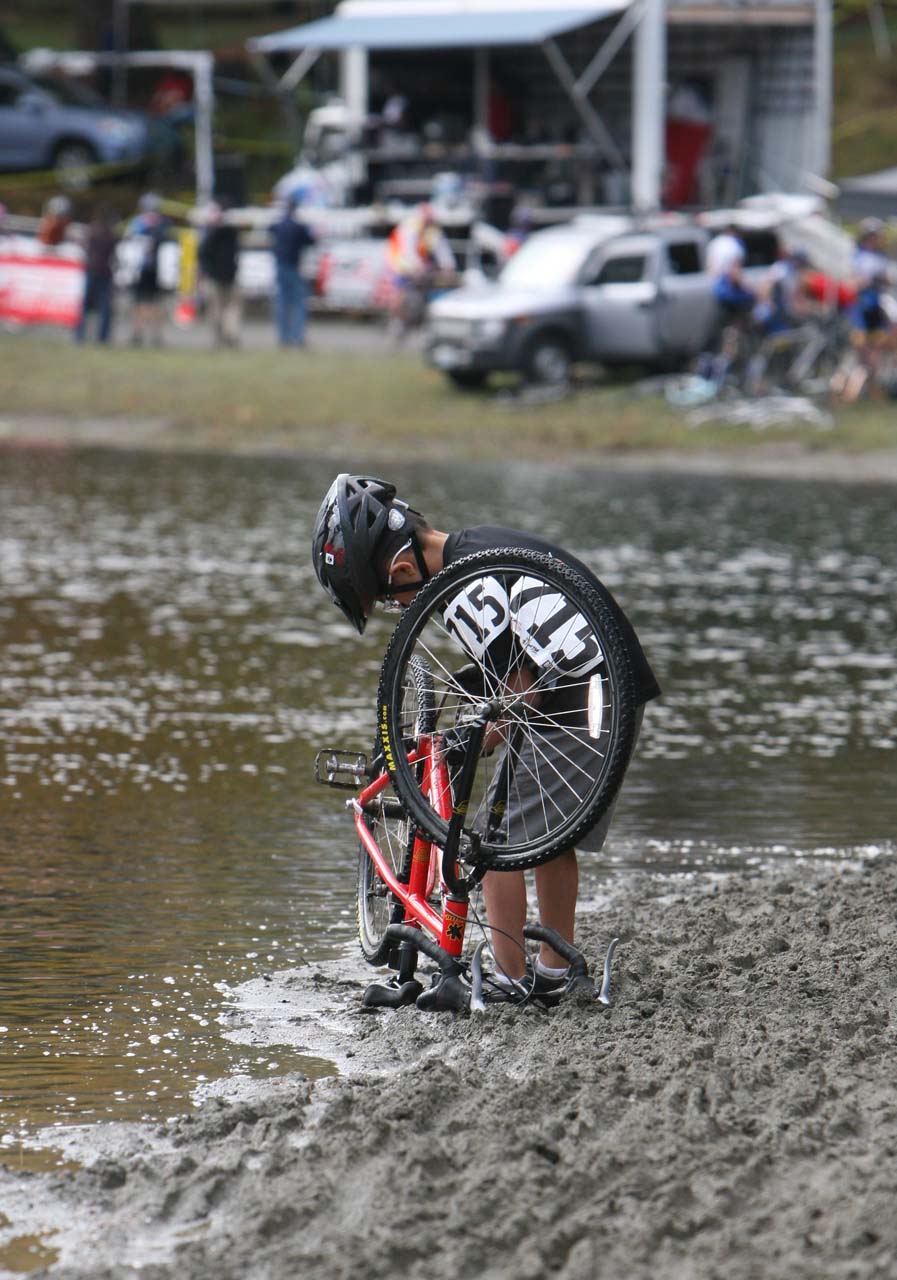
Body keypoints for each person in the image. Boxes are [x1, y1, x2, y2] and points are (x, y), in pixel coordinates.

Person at [311, 474, 660, 993]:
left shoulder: (462, 591)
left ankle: (510, 977)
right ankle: (553, 971)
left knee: (494, 845)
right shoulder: (477, 545)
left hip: (574, 699)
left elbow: (519, 692)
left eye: (391, 600)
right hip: (606, 689)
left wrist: (468, 741)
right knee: (541, 838)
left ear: (405, 570)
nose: (400, 610)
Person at [385, 203, 456, 341]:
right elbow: (408, 250)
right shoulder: (410, 226)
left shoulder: (431, 229)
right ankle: (397, 322)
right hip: (398, 263)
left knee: (426, 289)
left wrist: (448, 267)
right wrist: (419, 266)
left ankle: (420, 321)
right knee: (401, 293)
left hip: (416, 267)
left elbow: (442, 249)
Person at [270, 196, 315, 348]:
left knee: (282, 303)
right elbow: (310, 241)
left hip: (280, 267)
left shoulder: (278, 226)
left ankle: (284, 337)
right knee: (298, 304)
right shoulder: (298, 227)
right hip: (293, 268)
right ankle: (297, 337)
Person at [127, 193, 170, 347]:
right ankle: (137, 333)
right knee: (139, 303)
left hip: (157, 270)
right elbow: (130, 242)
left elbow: (165, 242)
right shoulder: (138, 223)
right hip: (140, 270)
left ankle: (155, 335)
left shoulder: (162, 224)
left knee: (155, 304)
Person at [197, 200, 241, 348]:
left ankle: (224, 336)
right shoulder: (231, 232)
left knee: (221, 309)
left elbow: (203, 254)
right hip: (223, 275)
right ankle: (227, 336)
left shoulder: (213, 233)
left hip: (220, 275)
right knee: (225, 309)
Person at [74, 206, 119, 344]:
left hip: (94, 271)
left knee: (86, 305)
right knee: (103, 306)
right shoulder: (110, 236)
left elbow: (84, 247)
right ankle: (102, 337)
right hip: (102, 272)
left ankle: (80, 335)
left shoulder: (93, 233)